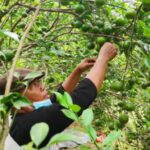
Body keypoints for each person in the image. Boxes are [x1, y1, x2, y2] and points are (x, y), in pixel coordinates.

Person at [0, 42, 117, 148]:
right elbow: (81, 96)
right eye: (32, 86)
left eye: (38, 82)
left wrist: (78, 71)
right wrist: (103, 58)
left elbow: (57, 98)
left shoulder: (17, 117)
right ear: (15, 99)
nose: (42, 87)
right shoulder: (32, 122)